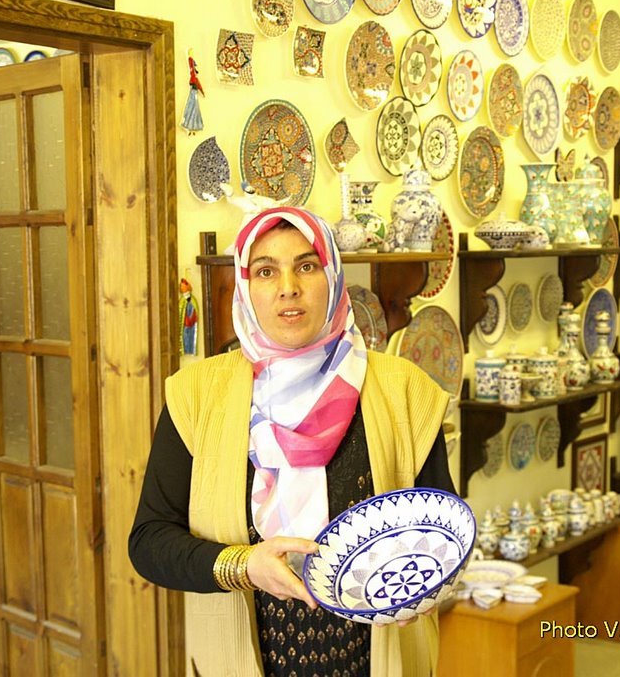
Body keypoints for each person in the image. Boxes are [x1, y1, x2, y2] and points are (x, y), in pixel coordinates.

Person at [129, 206, 454, 677]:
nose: (288, 287)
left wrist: (430, 582)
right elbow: (150, 542)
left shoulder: (404, 390)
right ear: (245, 287)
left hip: (380, 662)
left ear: (334, 275)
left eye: (307, 265)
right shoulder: (196, 396)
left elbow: (440, 528)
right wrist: (244, 566)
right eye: (265, 271)